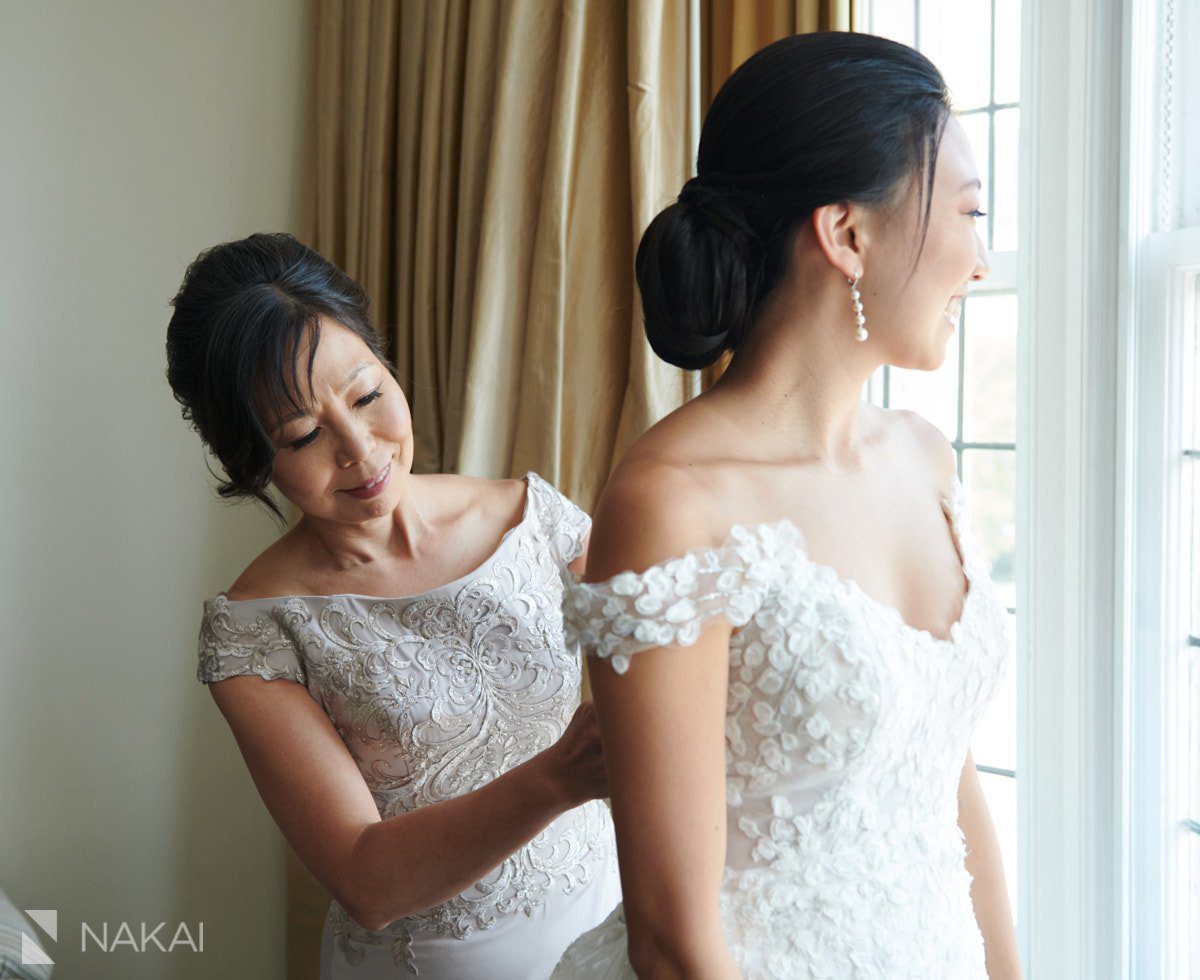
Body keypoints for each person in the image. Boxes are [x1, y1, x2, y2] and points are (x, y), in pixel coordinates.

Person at [553, 32, 1022, 980]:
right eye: (969, 213)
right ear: (847, 233)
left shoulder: (926, 460)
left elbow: (943, 778)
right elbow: (674, 941)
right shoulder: (672, 504)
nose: (980, 260)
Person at [165, 232, 620, 979]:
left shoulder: (531, 518)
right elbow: (367, 880)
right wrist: (559, 777)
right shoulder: (255, 631)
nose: (359, 447)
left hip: (607, 924)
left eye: (368, 393)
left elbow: (676, 638)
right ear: (251, 461)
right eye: (304, 434)